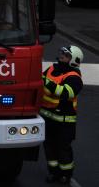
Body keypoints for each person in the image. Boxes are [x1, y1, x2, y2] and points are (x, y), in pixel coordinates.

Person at [41, 46, 84, 184]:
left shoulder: (75, 78)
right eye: (62, 53)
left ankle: (66, 174)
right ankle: (53, 172)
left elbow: (66, 93)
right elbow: (39, 81)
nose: (61, 56)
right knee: (49, 147)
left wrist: (46, 82)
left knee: (63, 149)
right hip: (47, 117)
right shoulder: (52, 69)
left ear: (74, 61)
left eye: (66, 55)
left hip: (65, 121)